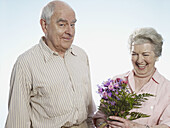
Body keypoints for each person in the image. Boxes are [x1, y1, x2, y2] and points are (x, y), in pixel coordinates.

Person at [5, 0, 96, 127]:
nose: (70, 32)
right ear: (44, 25)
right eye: (62, 25)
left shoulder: (81, 55)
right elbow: (17, 122)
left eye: (73, 24)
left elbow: (89, 110)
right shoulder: (25, 64)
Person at [93, 27, 170, 128]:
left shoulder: (167, 89)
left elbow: (167, 125)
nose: (139, 60)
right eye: (134, 54)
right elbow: (100, 116)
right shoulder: (116, 82)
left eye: (145, 54)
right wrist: (103, 126)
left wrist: (133, 126)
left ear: (157, 56)